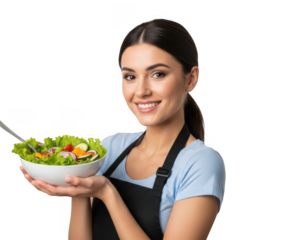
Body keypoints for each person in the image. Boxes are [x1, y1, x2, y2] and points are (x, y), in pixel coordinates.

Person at [19, 17, 226, 240]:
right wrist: (77, 190)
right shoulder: (111, 147)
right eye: (130, 76)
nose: (141, 91)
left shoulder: (200, 163)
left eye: (158, 74)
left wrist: (107, 193)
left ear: (191, 79)